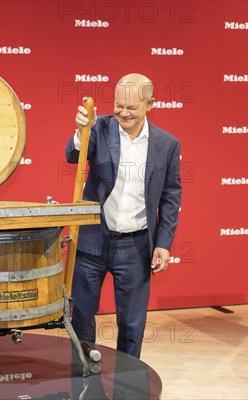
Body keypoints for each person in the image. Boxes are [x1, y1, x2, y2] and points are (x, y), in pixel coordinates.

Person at [65, 73, 182, 358]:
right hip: (91, 242)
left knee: (131, 324)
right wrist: (82, 131)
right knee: (80, 314)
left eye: (132, 108)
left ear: (150, 105)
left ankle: (128, 381)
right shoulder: (100, 126)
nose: (124, 113)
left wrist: (164, 243)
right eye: (119, 106)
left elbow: (170, 197)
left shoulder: (167, 144)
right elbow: (72, 155)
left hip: (136, 246)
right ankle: (84, 372)